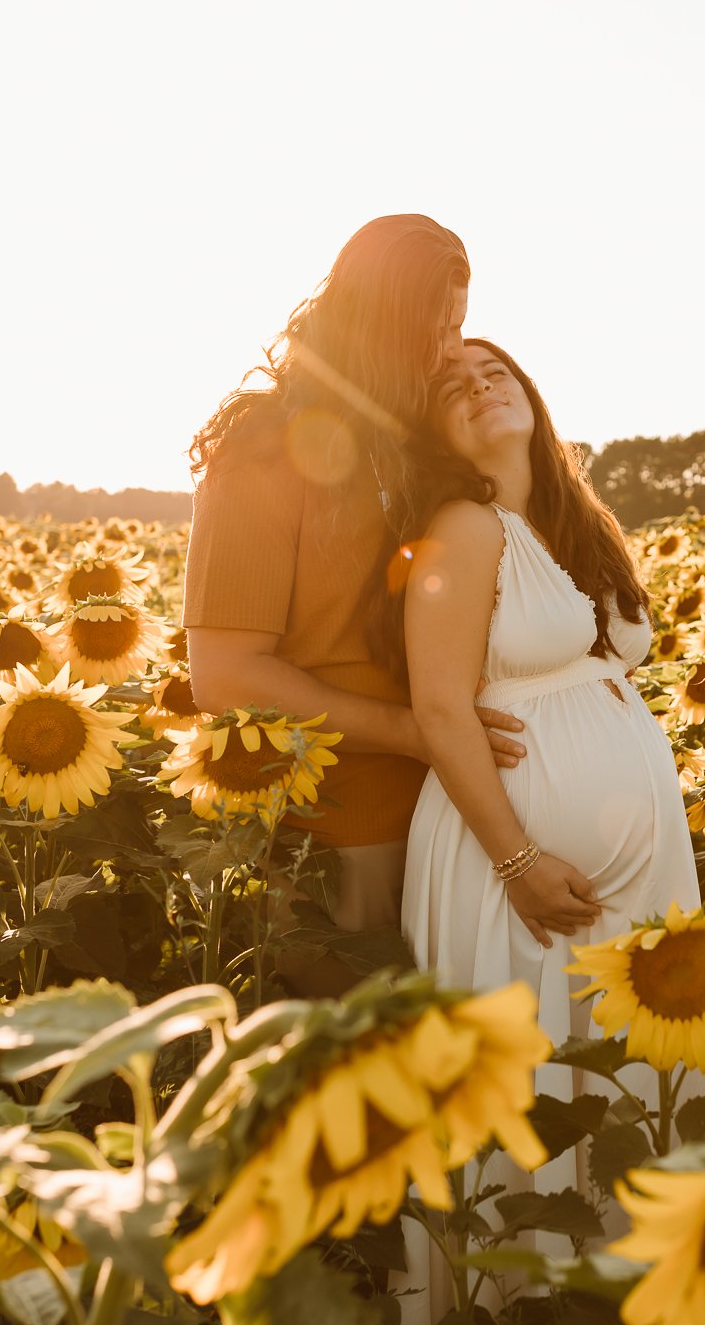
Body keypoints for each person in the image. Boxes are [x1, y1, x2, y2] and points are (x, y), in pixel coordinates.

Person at [377, 338, 704, 1325]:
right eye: (453, 386)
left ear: (533, 395)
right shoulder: (462, 527)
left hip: (634, 862)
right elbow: (439, 709)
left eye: (496, 372)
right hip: (500, 858)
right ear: (434, 429)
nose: (481, 389)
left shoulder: (574, 519)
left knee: (622, 1073)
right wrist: (518, 858)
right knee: (527, 1080)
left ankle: (622, 1308)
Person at [182, 216, 525, 991]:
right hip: (342, 835)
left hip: (466, 817)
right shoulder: (263, 451)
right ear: (377, 324)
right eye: (436, 329)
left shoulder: (417, 442)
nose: (449, 350)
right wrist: (414, 733)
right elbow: (228, 676)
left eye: (460, 327)